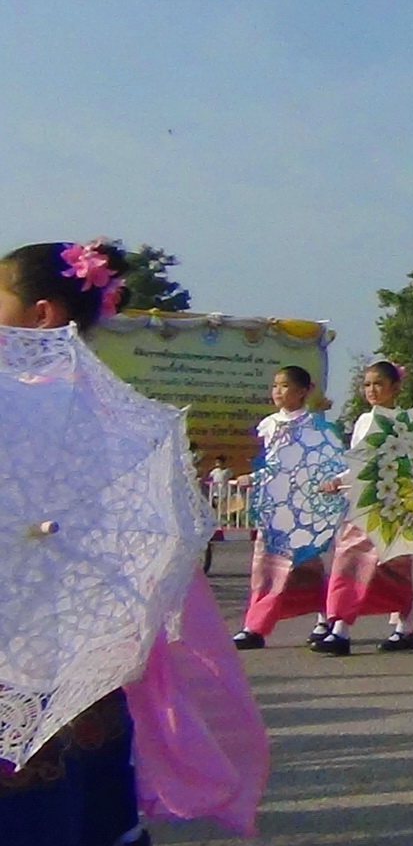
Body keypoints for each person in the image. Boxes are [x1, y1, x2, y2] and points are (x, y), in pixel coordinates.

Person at [0, 240, 267, 843]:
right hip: (81, 643)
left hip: (14, 622)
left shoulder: (15, 402)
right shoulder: (111, 413)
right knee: (84, 778)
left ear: (41, 314)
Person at [313, 361, 413, 655]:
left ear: (395, 387)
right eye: (367, 385)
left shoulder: (409, 422)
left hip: (397, 505)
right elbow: (359, 462)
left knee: (395, 565)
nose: (372, 390)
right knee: (347, 560)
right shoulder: (363, 421)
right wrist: (339, 479)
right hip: (364, 503)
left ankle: (405, 627)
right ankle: (340, 628)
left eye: (378, 384)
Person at [232, 367, 345, 649]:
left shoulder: (317, 426)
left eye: (285, 386)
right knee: (265, 566)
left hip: (306, 508)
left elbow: (328, 463)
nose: (278, 392)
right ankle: (255, 626)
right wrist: (255, 479)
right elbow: (273, 466)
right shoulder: (269, 424)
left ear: (303, 390)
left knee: (308, 566)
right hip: (275, 507)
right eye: (275, 386)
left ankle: (325, 617)